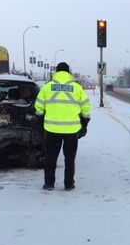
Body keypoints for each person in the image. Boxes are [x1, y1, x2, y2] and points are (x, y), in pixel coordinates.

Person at [34, 62, 92, 191]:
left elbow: (39, 107)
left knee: (50, 158)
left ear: (57, 72)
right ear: (68, 73)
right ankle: (69, 184)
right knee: (70, 159)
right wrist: (84, 124)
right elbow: (86, 108)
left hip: (52, 130)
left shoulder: (48, 87)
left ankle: (49, 184)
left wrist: (39, 122)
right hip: (71, 131)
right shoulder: (77, 88)